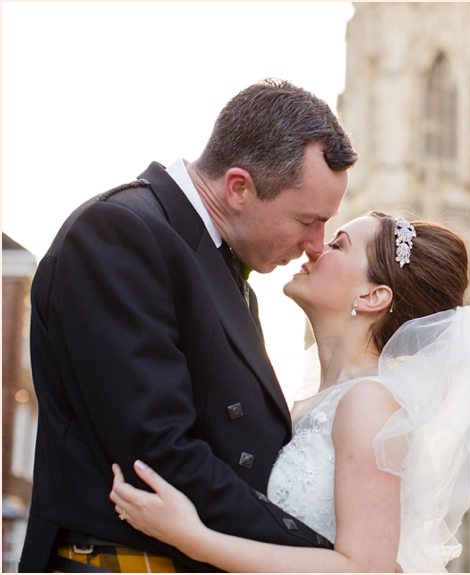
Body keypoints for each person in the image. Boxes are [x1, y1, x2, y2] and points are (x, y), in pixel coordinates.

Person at [20, 78, 358, 573]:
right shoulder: (120, 233)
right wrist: (326, 558)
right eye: (308, 220)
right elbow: (159, 454)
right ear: (239, 188)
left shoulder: (213, 260)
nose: (316, 244)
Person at [109, 211, 470, 572]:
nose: (316, 248)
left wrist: (194, 538)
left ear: (372, 296)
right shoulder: (318, 399)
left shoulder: (369, 402)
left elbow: (365, 569)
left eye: (338, 244)